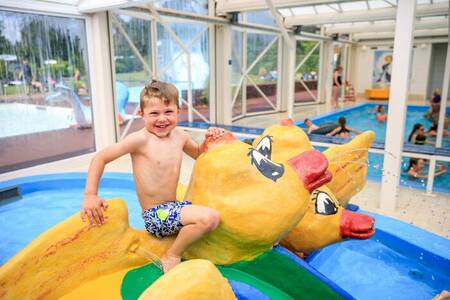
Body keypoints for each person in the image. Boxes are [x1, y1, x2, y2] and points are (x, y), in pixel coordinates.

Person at [81, 80, 223, 273]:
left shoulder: (180, 136)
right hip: (156, 215)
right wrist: (90, 194)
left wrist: (210, 139)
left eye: (168, 112)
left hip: (175, 207)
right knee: (210, 218)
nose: (162, 119)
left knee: (219, 210)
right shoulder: (140, 140)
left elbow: (199, 154)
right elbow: (101, 157)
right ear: (141, 114)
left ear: (178, 111)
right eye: (154, 113)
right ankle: (172, 254)